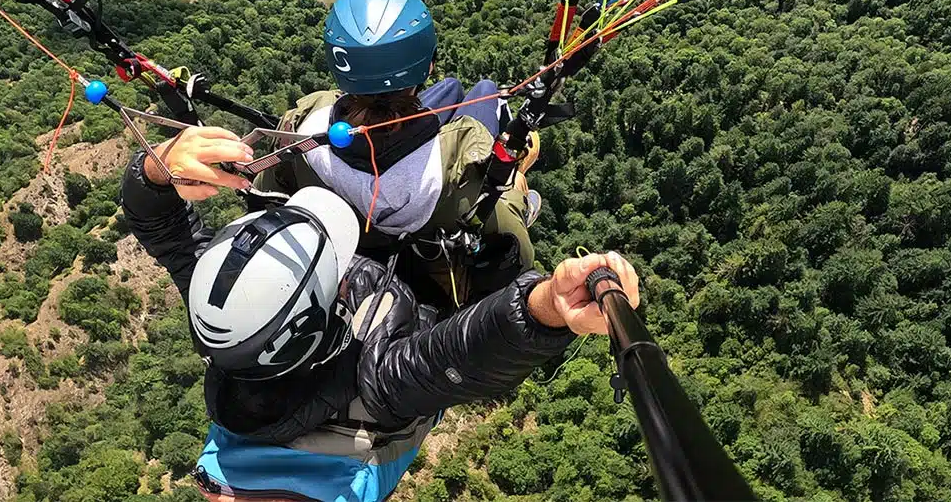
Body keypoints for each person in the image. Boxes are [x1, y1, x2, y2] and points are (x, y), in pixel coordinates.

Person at [121, 124, 640, 502]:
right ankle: (519, 193)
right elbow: (463, 351)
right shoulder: (380, 381)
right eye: (336, 265)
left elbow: (167, 232)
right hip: (410, 325)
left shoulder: (227, 317)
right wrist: (548, 304)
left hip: (282, 406)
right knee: (493, 232)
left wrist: (157, 167)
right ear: (322, 321)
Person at [257, 0, 539, 306]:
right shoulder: (460, 165)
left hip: (343, 241)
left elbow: (268, 190)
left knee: (450, 88)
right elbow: (518, 258)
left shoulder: (305, 120)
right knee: (486, 88)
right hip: (422, 258)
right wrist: (517, 186)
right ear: (428, 63)